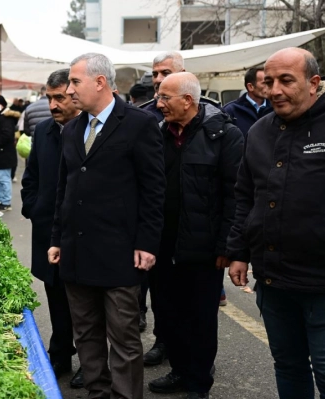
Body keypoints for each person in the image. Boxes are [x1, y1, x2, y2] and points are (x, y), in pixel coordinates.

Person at [228, 47, 325, 399]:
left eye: (286, 80)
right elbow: (245, 196)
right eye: (269, 82)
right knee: (287, 366)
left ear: (313, 82)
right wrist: (238, 251)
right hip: (273, 279)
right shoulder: (259, 131)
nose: (274, 90)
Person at [48, 53, 165, 399]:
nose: (68, 90)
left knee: (125, 338)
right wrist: (56, 238)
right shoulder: (72, 129)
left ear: (100, 82)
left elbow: (154, 190)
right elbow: (63, 190)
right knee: (86, 335)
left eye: (74, 82)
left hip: (120, 254)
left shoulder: (138, 124)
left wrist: (146, 243)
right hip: (76, 252)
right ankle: (98, 393)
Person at [146, 73, 243, 399]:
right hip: (163, 245)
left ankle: (198, 384)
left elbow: (235, 195)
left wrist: (226, 245)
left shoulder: (224, 136)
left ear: (188, 100)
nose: (158, 104)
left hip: (204, 250)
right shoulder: (159, 134)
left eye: (165, 98)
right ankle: (179, 371)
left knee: (200, 320)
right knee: (169, 316)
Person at [21, 68, 84, 389]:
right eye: (49, 98)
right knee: (56, 297)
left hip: (82, 234)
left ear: (75, 95)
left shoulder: (90, 132)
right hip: (47, 231)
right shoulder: (44, 131)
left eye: (59, 97)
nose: (53, 104)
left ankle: (90, 360)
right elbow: (30, 177)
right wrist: (33, 207)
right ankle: (60, 354)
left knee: (86, 303)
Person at [223, 67, 273, 138]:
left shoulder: (275, 108)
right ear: (250, 87)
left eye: (269, 83)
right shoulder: (230, 111)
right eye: (265, 83)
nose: (268, 87)